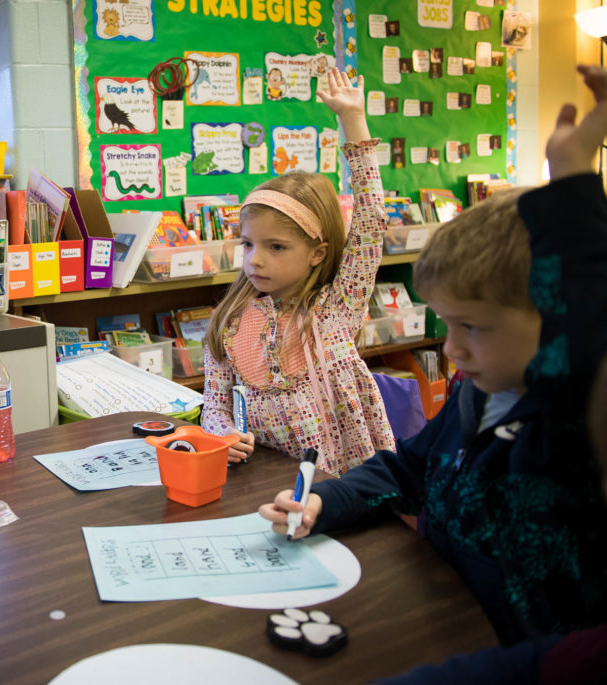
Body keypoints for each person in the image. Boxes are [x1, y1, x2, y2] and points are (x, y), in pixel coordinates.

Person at [259, 65, 607, 648]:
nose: (450, 348)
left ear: (556, 319)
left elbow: (589, 313)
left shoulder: (569, 415)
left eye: (472, 326)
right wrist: (326, 498)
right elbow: (407, 469)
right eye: (446, 323)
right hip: (440, 618)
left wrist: (572, 184)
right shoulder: (477, 393)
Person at [202, 67, 393, 475]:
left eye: (276, 247)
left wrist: (352, 120)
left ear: (317, 252)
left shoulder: (335, 310)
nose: (255, 260)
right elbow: (215, 405)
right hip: (264, 482)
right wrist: (222, 433)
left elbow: (372, 219)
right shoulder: (229, 323)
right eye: (248, 244)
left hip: (342, 485)